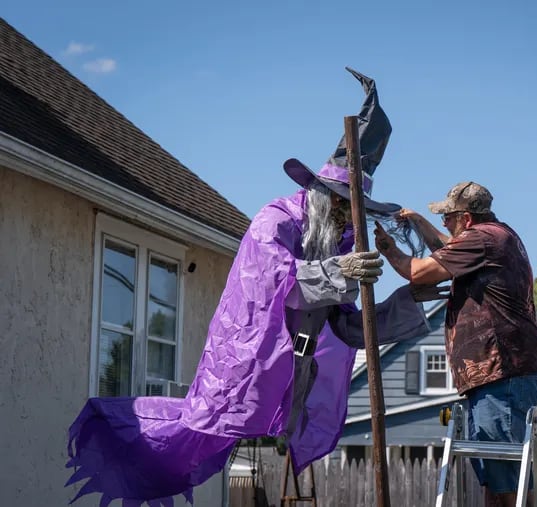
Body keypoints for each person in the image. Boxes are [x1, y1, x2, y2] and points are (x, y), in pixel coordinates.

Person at [66, 68, 441, 505]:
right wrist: (341, 271)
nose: (345, 218)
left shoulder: (337, 242)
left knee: (209, 447)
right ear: (318, 194)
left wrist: (408, 298)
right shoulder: (275, 220)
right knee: (193, 439)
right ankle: (116, 434)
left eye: (351, 209)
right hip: (248, 366)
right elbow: (274, 286)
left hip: (296, 377)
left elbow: (350, 329)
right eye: (339, 205)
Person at [374, 181, 537, 507]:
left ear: (466, 219)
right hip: (503, 371)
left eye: (448, 217)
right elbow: (449, 247)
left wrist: (389, 249)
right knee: (498, 473)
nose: (444, 223)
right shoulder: (496, 236)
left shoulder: (481, 239)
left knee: (506, 476)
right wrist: (418, 222)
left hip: (502, 370)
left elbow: (420, 271)